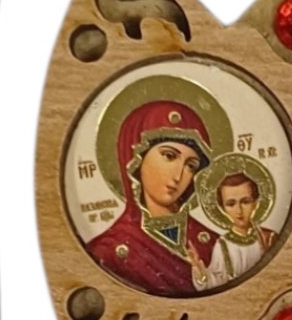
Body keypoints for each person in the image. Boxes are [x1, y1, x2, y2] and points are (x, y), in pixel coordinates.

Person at [85, 98, 221, 296]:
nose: (178, 176)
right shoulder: (109, 251)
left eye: (191, 165)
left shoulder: (213, 244)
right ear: (135, 159)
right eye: (169, 156)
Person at [199, 158, 277, 289]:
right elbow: (216, 282)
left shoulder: (268, 238)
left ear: (255, 203)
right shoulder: (222, 245)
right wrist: (200, 274)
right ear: (222, 208)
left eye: (245, 202)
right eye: (231, 204)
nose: (239, 210)